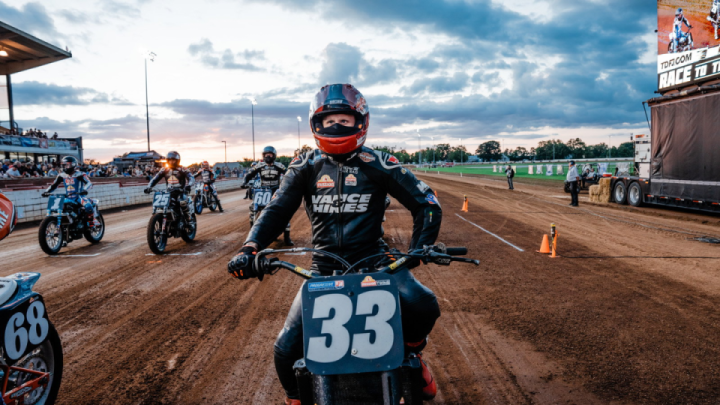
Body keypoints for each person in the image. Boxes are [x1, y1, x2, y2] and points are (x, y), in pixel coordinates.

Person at [227, 83, 442, 404]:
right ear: (316, 125)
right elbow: (275, 210)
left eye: (344, 119)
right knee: (285, 350)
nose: (336, 126)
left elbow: (426, 202)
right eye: (329, 121)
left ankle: (413, 354)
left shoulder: (380, 162)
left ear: (361, 121)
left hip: (378, 263)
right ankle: (295, 398)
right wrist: (250, 247)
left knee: (424, 305)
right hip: (323, 270)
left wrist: (419, 250)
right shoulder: (304, 166)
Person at [242, 146, 293, 245]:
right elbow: (249, 174)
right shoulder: (259, 166)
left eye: (269, 154)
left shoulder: (279, 166)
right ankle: (252, 234)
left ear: (274, 155)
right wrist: (245, 182)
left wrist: (289, 183)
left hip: (276, 191)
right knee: (252, 209)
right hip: (262, 191)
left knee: (284, 210)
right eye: (266, 154)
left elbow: (288, 175)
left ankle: (287, 238)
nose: (268, 156)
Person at [41, 156, 99, 225]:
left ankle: (92, 222)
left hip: (79, 196)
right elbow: (54, 185)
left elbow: (89, 183)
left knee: (88, 206)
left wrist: (84, 190)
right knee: (59, 207)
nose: (65, 167)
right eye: (64, 165)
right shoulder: (61, 175)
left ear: (73, 165)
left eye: (67, 165)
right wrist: (47, 191)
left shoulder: (80, 174)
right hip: (68, 197)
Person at [143, 151, 195, 224]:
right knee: (160, 205)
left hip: (180, 192)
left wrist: (189, 185)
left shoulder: (183, 169)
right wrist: (148, 187)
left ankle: (189, 219)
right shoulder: (164, 169)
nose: (171, 162)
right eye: (169, 160)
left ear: (177, 160)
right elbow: (155, 179)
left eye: (173, 160)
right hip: (168, 193)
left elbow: (191, 178)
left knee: (182, 203)